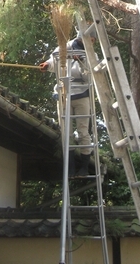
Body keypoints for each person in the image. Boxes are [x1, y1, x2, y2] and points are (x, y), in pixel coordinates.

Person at [39, 32, 96, 177]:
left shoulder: (90, 52)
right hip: (64, 92)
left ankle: (83, 168)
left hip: (82, 93)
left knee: (83, 131)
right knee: (66, 133)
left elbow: (90, 72)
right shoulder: (65, 47)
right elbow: (54, 60)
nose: (93, 41)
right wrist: (47, 65)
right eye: (91, 38)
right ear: (83, 37)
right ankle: (69, 168)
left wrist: (81, 60)